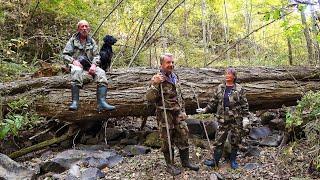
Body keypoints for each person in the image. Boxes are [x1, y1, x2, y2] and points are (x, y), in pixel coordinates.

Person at [146, 53, 199, 176]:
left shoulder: (175, 76)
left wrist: (183, 110)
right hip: (165, 113)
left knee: (183, 133)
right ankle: (170, 165)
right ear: (162, 64)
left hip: (178, 112)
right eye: (168, 62)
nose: (171, 65)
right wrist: (154, 84)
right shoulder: (157, 78)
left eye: (172, 62)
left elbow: (180, 96)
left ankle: (185, 162)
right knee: (167, 139)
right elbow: (149, 98)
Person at [196, 67, 250, 169]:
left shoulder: (239, 89)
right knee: (219, 140)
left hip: (236, 119)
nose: (227, 75)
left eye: (229, 74)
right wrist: (205, 110)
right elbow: (213, 102)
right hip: (222, 119)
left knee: (235, 140)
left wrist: (245, 118)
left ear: (234, 76)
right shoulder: (220, 88)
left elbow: (244, 105)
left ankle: (233, 161)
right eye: (226, 73)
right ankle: (215, 161)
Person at [62, 20, 115, 111]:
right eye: (82, 26)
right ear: (78, 29)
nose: (84, 28)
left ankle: (102, 102)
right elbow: (65, 55)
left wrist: (94, 65)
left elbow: (97, 56)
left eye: (86, 26)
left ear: (89, 29)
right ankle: (75, 102)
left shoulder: (91, 41)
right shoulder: (72, 41)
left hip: (89, 65)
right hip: (76, 64)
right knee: (77, 71)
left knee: (101, 73)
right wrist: (73, 61)